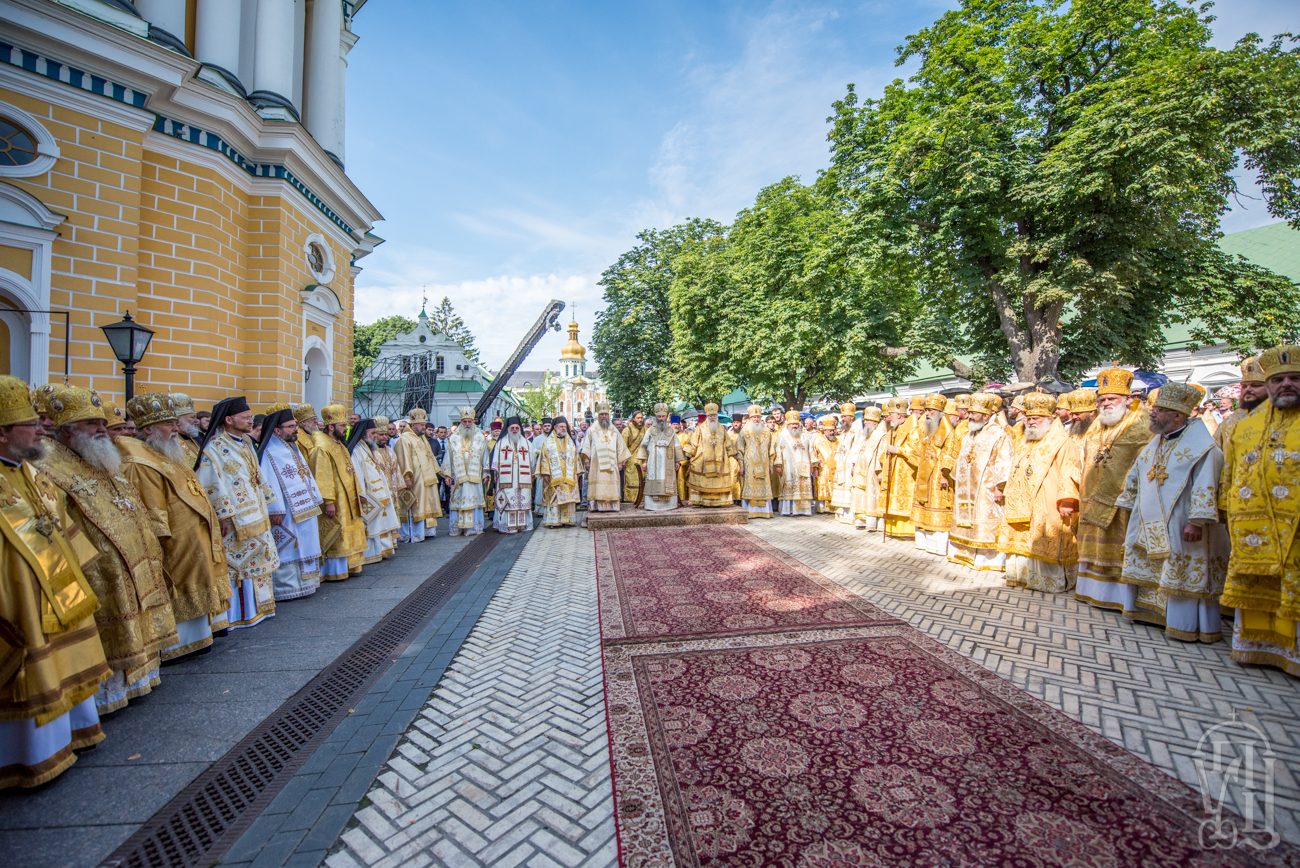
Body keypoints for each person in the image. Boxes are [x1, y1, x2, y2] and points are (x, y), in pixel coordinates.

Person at [37, 385, 176, 714]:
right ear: (67, 431)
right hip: (97, 566)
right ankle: (108, 695)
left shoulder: (98, 455)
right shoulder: (49, 465)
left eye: (102, 423)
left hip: (132, 557)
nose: (103, 430)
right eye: (92, 425)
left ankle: (139, 678)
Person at [0, 376, 110, 788]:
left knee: (60, 664)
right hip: (16, 599)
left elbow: (60, 527)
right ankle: (24, 757)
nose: (40, 427)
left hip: (56, 589)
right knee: (28, 670)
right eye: (31, 423)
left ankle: (68, 736)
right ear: (3, 433)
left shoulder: (33, 472)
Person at [119, 393, 231, 658]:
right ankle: (177, 645)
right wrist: (161, 542)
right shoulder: (140, 463)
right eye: (168, 424)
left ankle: (198, 637)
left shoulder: (165, 453)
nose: (174, 428)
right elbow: (151, 508)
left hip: (191, 537)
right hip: (174, 541)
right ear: (148, 429)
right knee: (179, 584)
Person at [1114, 383, 1228, 642]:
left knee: (1181, 571)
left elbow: (1206, 485)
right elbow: (1137, 474)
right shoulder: (1156, 443)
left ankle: (1184, 624)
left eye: (1160, 410)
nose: (1152, 414)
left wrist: (1197, 521)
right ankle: (1149, 612)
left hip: (1182, 522)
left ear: (1178, 415)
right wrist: (1127, 503)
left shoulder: (1204, 448)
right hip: (1147, 519)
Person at [1220, 345, 1300, 676]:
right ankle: (1256, 649)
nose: (1286, 385)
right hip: (1252, 528)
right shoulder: (1245, 425)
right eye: (1278, 379)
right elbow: (1231, 470)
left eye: (1294, 378)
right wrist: (1224, 508)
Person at [195, 396, 279, 630]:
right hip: (235, 519)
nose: (250, 421)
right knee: (239, 568)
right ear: (229, 419)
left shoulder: (244, 443)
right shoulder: (214, 448)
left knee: (258, 561)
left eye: (251, 417)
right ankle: (239, 615)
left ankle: (260, 609)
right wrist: (223, 514)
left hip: (256, 510)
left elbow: (256, 474)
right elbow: (211, 483)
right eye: (245, 417)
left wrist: (269, 502)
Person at [1074, 369, 1153, 617]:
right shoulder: (1097, 425)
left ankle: (1120, 597)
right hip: (1091, 495)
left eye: (1112, 399)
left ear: (1127, 399)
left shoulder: (1142, 425)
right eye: (1102, 400)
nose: (1106, 404)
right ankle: (1092, 591)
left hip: (1121, 502)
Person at [998, 393, 1081, 593]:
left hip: (1048, 499)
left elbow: (1070, 470)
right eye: (1029, 418)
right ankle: (1023, 575)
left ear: (1050, 419)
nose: (1031, 421)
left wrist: (1067, 500)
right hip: (1022, 499)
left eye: (1037, 418)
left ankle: (1048, 580)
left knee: (1046, 535)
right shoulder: (1025, 440)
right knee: (1022, 537)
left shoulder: (1062, 442)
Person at [257, 407, 324, 600]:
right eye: (290, 426)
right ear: (277, 430)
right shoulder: (270, 451)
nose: (295, 429)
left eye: (295, 425)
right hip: (285, 511)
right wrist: (275, 509)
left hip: (304, 508)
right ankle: (287, 587)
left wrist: (315, 497)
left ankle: (308, 583)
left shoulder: (291, 447)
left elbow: (306, 475)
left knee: (305, 541)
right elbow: (268, 481)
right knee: (290, 545)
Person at [948, 393, 1014, 570]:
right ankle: (964, 553)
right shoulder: (970, 434)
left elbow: (1004, 461)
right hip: (966, 485)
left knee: (984, 519)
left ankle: (986, 560)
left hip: (986, 488)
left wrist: (1000, 487)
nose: (969, 416)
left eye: (974, 413)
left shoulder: (998, 434)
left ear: (986, 415)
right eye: (969, 412)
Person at [310, 403, 366, 580]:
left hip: (349, 496)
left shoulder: (339, 444)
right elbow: (322, 476)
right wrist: (328, 501)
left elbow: (351, 470)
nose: (346, 428)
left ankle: (351, 565)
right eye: (342, 426)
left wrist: (359, 493)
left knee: (351, 529)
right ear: (331, 426)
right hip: (337, 499)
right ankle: (335, 571)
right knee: (338, 532)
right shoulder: (321, 447)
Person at [348, 418, 400, 564]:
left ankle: (379, 551)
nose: (375, 436)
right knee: (371, 525)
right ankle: (370, 554)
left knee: (379, 524)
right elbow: (357, 474)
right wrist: (362, 494)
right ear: (363, 434)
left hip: (379, 493)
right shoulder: (357, 451)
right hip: (368, 495)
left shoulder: (369, 448)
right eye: (373, 433)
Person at [912, 394, 956, 555]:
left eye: (930, 410)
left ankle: (938, 545)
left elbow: (950, 453)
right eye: (926, 410)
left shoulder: (948, 431)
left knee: (937, 505)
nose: (927, 413)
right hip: (925, 474)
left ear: (939, 412)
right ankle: (924, 542)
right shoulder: (927, 428)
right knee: (924, 505)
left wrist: (945, 474)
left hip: (938, 475)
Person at [393, 407, 443, 542]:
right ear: (413, 424)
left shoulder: (421, 438)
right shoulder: (405, 439)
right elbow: (404, 459)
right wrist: (406, 477)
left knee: (427, 504)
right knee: (415, 505)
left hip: (427, 479)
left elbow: (430, 456)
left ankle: (426, 531)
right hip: (415, 479)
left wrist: (441, 473)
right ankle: (413, 533)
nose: (423, 427)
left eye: (424, 424)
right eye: (421, 425)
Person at [879, 396, 922, 540]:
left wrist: (898, 450)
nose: (889, 417)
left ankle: (907, 531)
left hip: (906, 470)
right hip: (893, 469)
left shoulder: (913, 427)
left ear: (899, 414)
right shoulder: (893, 429)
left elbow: (917, 449)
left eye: (891, 414)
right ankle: (893, 529)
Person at [444, 407, 489, 536]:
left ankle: (474, 528)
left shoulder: (480, 437)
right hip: (458, 478)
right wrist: (447, 474)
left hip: (475, 477)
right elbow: (448, 457)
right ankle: (457, 528)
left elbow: (485, 456)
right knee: (458, 501)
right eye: (465, 422)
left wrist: (486, 472)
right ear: (461, 422)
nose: (467, 424)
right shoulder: (453, 438)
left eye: (470, 421)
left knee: (474, 502)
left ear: (473, 421)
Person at [579, 403, 629, 512]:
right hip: (596, 464)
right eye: (601, 414)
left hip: (612, 463)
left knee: (611, 484)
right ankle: (596, 505)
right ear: (598, 415)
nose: (604, 417)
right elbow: (586, 445)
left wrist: (621, 462)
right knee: (597, 485)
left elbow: (620, 446)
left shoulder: (614, 430)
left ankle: (612, 505)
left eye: (606, 414)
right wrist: (586, 461)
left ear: (609, 415)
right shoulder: (592, 429)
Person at [684, 403, 736, 507]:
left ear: (717, 416)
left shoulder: (722, 428)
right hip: (703, 460)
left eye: (714, 415)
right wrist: (689, 454)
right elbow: (693, 442)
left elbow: (728, 443)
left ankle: (719, 502)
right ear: (707, 417)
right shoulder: (700, 428)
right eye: (710, 416)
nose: (712, 418)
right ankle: (702, 501)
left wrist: (731, 455)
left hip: (720, 461)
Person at [636, 404, 686, 512]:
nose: (661, 419)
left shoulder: (671, 431)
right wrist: (644, 461)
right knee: (654, 480)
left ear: (666, 416)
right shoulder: (650, 430)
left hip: (668, 462)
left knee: (668, 481)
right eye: (659, 417)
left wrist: (677, 461)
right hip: (653, 462)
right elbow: (643, 445)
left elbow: (677, 446)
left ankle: (669, 505)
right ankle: (653, 505)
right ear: (656, 416)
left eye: (663, 416)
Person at [1214, 356, 1267, 450]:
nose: (1248, 389)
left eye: (1256, 385)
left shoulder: (1283, 418)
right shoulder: (1228, 423)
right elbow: (1216, 454)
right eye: (1244, 386)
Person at [370, 417, 405, 554]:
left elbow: (396, 469)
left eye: (385, 434)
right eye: (381, 434)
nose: (384, 437)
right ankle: (382, 547)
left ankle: (391, 543)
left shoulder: (390, 450)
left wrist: (399, 486)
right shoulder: (372, 452)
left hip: (392, 490)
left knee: (392, 516)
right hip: (380, 491)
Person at [492, 417, 534, 533]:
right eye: (512, 428)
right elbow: (495, 463)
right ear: (508, 429)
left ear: (520, 429)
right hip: (506, 479)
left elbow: (532, 463)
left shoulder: (527, 443)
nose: (515, 430)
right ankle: (507, 525)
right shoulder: (500, 443)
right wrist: (496, 476)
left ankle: (522, 524)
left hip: (523, 479)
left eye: (517, 428)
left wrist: (532, 474)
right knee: (508, 501)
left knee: (522, 501)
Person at [537, 416, 580, 527]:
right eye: (561, 426)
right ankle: (554, 521)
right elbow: (543, 458)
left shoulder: (570, 442)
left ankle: (568, 520)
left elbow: (576, 458)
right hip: (554, 477)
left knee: (568, 497)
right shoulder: (547, 442)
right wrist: (545, 473)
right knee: (555, 498)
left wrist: (578, 472)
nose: (563, 428)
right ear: (555, 427)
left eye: (565, 427)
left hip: (568, 476)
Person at [773, 410, 817, 516]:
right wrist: (778, 464)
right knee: (789, 486)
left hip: (803, 466)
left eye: (796, 424)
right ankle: (788, 510)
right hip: (788, 466)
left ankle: (803, 510)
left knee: (803, 487)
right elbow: (778, 450)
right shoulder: (782, 435)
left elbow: (811, 449)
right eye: (792, 424)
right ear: (788, 424)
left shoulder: (805, 435)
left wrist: (813, 464)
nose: (794, 426)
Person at [850, 406, 887, 531]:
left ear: (875, 422)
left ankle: (873, 522)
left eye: (867, 420)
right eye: (864, 420)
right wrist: (854, 464)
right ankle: (861, 519)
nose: (864, 422)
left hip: (872, 471)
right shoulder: (865, 434)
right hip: (861, 470)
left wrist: (880, 471)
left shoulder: (881, 435)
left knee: (872, 495)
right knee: (860, 494)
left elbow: (882, 454)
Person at [735, 405, 775, 518]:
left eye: (758, 417)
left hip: (764, 463)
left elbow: (771, 450)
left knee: (764, 486)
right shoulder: (745, 431)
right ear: (750, 418)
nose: (756, 419)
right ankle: (750, 512)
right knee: (750, 486)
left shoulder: (767, 431)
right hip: (749, 465)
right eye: (754, 417)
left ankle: (765, 512)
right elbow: (739, 448)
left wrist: (771, 465)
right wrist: (741, 465)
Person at [830, 405, 859, 523]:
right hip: (842, 463)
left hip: (850, 464)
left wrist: (854, 463)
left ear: (851, 417)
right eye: (842, 416)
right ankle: (841, 512)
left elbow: (857, 448)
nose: (842, 419)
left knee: (849, 487)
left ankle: (850, 514)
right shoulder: (845, 431)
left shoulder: (857, 430)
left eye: (845, 416)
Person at [620, 410, 648, 504]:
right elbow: (623, 446)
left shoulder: (645, 429)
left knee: (643, 480)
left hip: (643, 459)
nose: (640, 420)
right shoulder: (627, 430)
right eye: (638, 418)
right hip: (631, 460)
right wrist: (623, 460)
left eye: (641, 418)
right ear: (633, 419)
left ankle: (642, 499)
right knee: (631, 480)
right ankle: (630, 500)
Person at [812, 416, 837, 514]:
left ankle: (831, 507)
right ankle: (821, 508)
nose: (832, 432)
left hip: (834, 467)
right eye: (830, 431)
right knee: (822, 487)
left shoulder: (837, 440)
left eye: (833, 430)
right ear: (825, 430)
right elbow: (813, 454)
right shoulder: (819, 440)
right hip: (822, 468)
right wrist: (815, 467)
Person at [171, 392, 203, 464]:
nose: (196, 421)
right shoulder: (171, 442)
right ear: (178, 420)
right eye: (192, 417)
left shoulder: (193, 438)